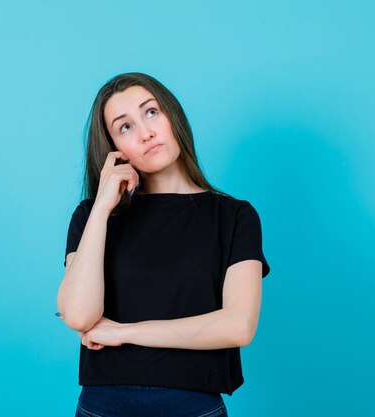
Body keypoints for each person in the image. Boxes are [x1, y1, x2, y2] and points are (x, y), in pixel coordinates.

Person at [56, 72, 271, 417]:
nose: (145, 133)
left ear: (172, 115)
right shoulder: (92, 216)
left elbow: (238, 326)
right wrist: (101, 207)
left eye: (151, 112)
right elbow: (80, 314)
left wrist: (124, 333)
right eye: (124, 127)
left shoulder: (234, 217)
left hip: (194, 405)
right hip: (104, 405)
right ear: (113, 150)